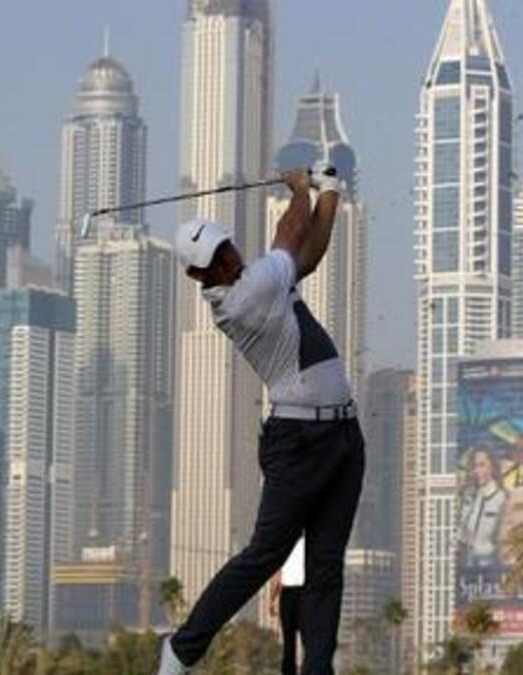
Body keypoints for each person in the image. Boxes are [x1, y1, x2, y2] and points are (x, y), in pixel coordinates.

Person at [156, 164, 364, 675]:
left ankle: (318, 670)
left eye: (226, 250)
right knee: (265, 554)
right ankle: (180, 651)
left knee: (325, 565)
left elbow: (308, 255)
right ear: (197, 275)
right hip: (299, 442)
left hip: (342, 436)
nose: (227, 261)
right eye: (215, 261)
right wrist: (300, 188)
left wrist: (330, 190)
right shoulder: (243, 298)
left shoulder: (263, 280)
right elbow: (292, 234)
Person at [459, 448, 506, 568]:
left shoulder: (501, 499)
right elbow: (461, 525)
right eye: (474, 466)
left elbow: (503, 544)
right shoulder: (468, 495)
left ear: (492, 468)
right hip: (464, 566)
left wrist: (475, 545)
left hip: (487, 571)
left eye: (482, 465)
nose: (477, 471)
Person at [270, 537, 306, 675]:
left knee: (289, 642)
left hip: (288, 594)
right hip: (306, 594)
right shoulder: (312, 542)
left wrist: (271, 600)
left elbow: (277, 577)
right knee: (308, 641)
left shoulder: (284, 542)